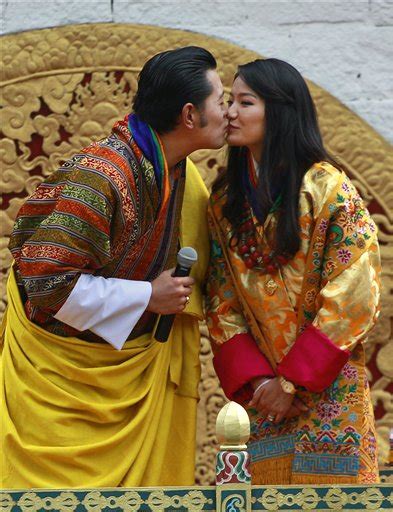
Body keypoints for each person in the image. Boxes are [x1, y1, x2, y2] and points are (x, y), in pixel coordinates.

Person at [1, 46, 228, 488]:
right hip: (61, 390)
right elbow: (47, 283)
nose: (228, 112)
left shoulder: (175, 168)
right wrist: (148, 296)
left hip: (127, 372)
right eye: (220, 101)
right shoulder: (104, 176)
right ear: (188, 115)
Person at [205, 58, 381, 485]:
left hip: (327, 390)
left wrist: (293, 382)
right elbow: (220, 298)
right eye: (229, 101)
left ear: (280, 110)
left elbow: (355, 293)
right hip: (262, 399)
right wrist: (262, 382)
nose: (230, 112)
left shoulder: (329, 189)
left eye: (244, 102)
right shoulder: (225, 200)